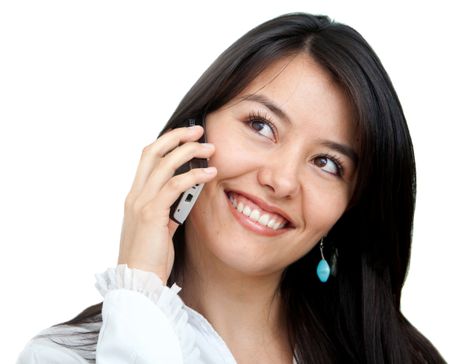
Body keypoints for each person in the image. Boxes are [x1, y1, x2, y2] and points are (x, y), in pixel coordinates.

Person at [17, 12, 445, 364]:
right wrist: (139, 289)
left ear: (350, 207)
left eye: (327, 163)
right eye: (261, 126)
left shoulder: (403, 358)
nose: (280, 179)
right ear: (192, 132)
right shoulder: (59, 357)